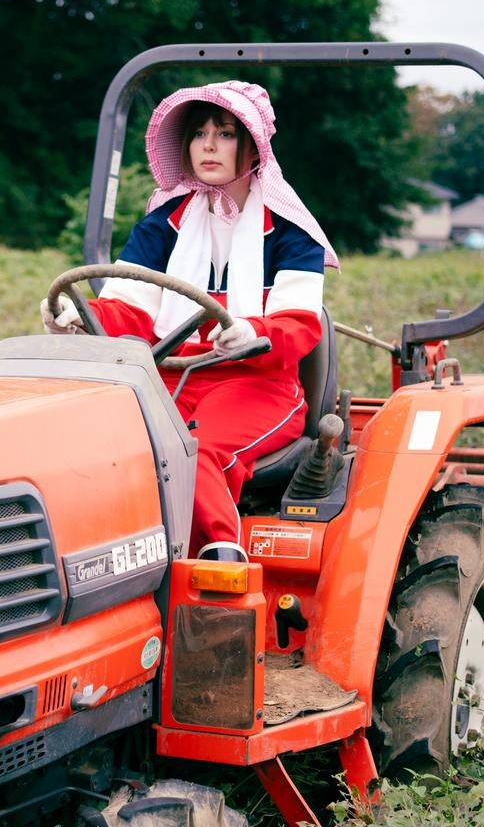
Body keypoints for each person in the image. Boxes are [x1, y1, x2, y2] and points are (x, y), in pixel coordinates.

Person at [42, 80, 338, 564]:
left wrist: (254, 332)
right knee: (94, 445)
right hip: (169, 378)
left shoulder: (289, 232)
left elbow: (301, 324)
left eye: (224, 133)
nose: (207, 145)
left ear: (252, 145)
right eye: (199, 133)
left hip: (259, 384)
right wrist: (80, 315)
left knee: (190, 450)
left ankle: (221, 560)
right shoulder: (165, 224)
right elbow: (130, 310)